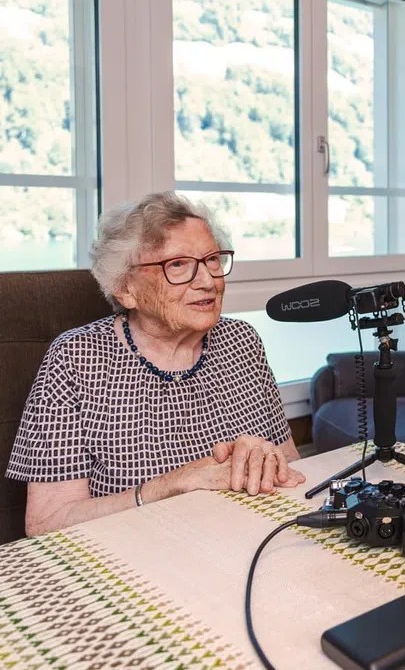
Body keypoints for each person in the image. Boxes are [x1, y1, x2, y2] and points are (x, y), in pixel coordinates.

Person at [5, 192, 305, 536]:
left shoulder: (241, 341)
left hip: (244, 538)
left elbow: (291, 462)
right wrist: (171, 485)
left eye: (212, 259)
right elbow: (47, 523)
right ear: (125, 288)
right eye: (177, 265)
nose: (208, 280)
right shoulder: (75, 359)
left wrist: (266, 463)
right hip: (134, 556)